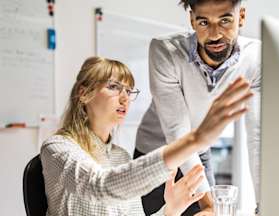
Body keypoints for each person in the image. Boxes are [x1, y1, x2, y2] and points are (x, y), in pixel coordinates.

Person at [40, 57, 252, 216]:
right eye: (114, 87)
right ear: (83, 94)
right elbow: (100, 186)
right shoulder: (57, 148)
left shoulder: (120, 156)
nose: (125, 98)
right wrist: (193, 140)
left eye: (129, 91)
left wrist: (170, 210)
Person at [134, 0, 261, 215]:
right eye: (204, 22)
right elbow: (177, 132)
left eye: (225, 20)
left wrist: (263, 205)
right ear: (192, 20)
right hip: (158, 157)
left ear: (241, 17)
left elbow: (258, 136)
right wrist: (208, 203)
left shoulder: (255, 58)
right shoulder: (166, 51)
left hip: (200, 154)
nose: (214, 34)